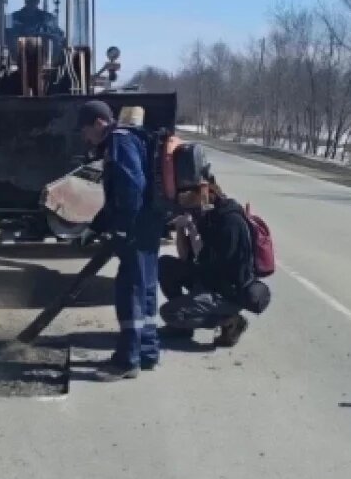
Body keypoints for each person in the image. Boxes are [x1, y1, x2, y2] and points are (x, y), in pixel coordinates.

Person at [77, 100, 163, 380]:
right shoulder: (133, 137)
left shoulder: (119, 140)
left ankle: (127, 360)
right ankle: (147, 351)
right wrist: (96, 227)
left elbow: (131, 187)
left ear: (98, 123)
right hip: (148, 225)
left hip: (136, 229)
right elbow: (119, 195)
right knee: (146, 288)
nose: (85, 138)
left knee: (130, 291)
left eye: (85, 131)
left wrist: (123, 228)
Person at [158, 175, 271, 347]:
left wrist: (194, 232)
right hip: (208, 277)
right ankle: (183, 328)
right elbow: (186, 257)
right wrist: (181, 228)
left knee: (169, 313)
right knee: (165, 265)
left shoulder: (230, 221)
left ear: (206, 192)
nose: (186, 199)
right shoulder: (208, 215)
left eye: (191, 194)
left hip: (227, 291)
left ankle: (230, 320)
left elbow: (213, 263)